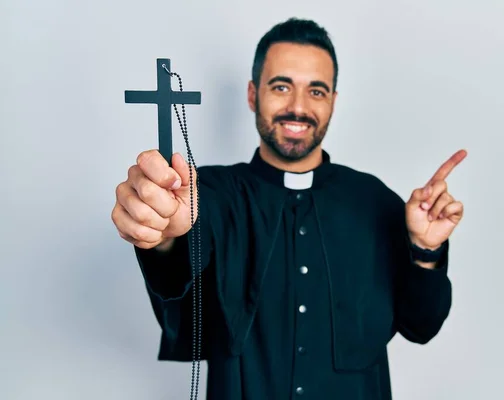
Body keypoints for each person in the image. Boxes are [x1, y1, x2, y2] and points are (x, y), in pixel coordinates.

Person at [111, 17, 466, 400]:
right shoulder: (206, 193)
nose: (298, 108)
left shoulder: (376, 201)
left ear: (332, 101)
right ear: (253, 94)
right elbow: (177, 272)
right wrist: (165, 236)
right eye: (281, 87)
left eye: (316, 91)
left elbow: (423, 326)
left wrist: (425, 251)